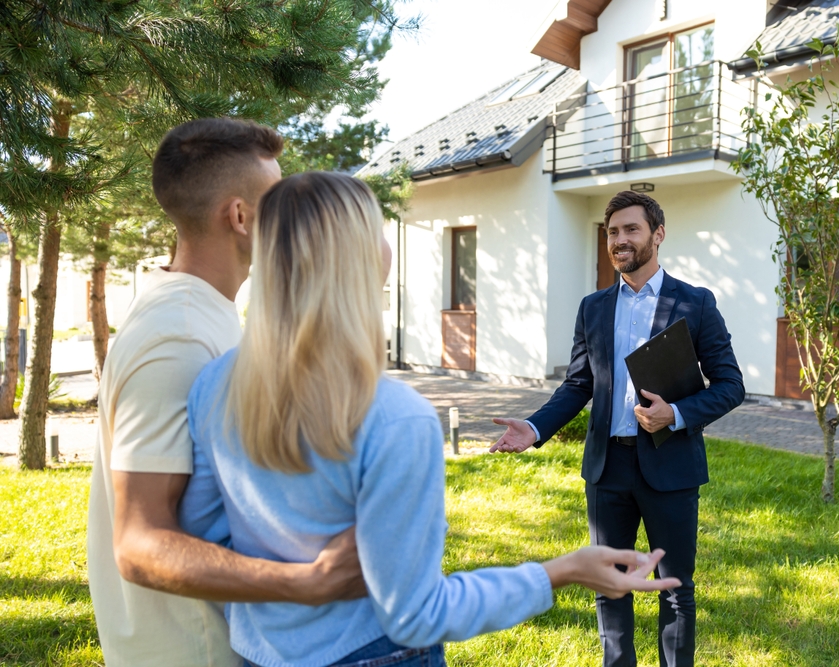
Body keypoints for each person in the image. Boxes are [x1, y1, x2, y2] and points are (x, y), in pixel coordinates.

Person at [178, 171, 680, 667]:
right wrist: (559, 572)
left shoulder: (214, 384)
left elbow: (204, 541)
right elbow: (416, 616)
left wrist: (279, 612)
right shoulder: (396, 418)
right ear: (358, 255)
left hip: (256, 653)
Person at [87, 119, 366, 667]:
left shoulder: (200, 312)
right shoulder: (180, 334)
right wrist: (307, 582)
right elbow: (139, 542)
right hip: (193, 652)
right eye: (279, 200)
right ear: (240, 217)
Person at [490, 191, 745, 667]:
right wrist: (534, 427)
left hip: (670, 466)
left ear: (657, 235)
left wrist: (678, 413)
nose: (620, 240)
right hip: (606, 470)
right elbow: (578, 384)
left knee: (674, 590)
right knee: (609, 586)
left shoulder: (695, 303)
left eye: (631, 229)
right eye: (613, 232)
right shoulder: (594, 307)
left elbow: (731, 385)